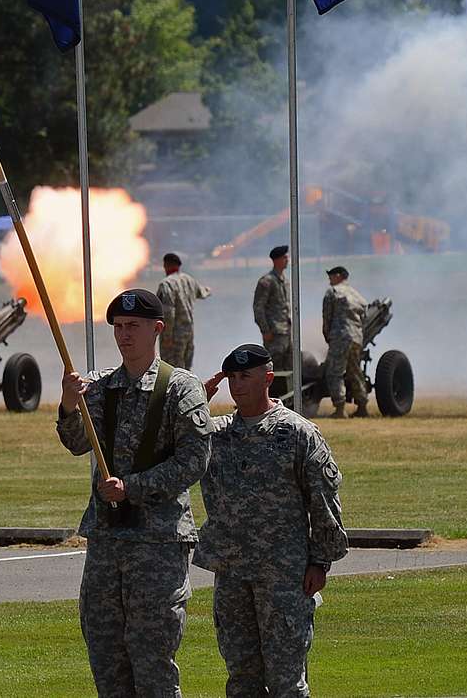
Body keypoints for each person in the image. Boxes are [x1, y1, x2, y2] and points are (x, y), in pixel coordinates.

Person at [58, 287, 212, 698]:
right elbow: (75, 443)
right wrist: (69, 405)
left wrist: (132, 488)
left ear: (157, 329)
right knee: (107, 659)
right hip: (107, 542)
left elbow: (193, 461)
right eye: (119, 327)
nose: (124, 334)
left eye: (134, 326)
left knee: (153, 662)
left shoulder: (182, 389)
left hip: (156, 542)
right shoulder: (102, 387)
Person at [201, 344, 347, 698]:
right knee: (242, 681)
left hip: (283, 576)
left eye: (245, 377)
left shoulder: (297, 433)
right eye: (232, 378)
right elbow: (167, 446)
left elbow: (323, 498)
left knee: (285, 681)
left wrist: (320, 560)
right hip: (233, 574)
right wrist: (195, 405)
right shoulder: (215, 434)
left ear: (267, 378)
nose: (237, 385)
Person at [320, 266, 367, 418]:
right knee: (355, 371)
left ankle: (340, 409)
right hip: (356, 338)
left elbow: (327, 317)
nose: (329, 279)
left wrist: (328, 335)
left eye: (331, 276)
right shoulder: (357, 295)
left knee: (335, 372)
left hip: (340, 337)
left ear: (339, 276)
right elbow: (364, 318)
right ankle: (362, 407)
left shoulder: (333, 292)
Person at [156, 252, 211, 370]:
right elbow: (202, 292)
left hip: (173, 335)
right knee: (186, 371)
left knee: (171, 371)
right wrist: (209, 290)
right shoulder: (189, 280)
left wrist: (167, 338)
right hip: (188, 333)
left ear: (165, 265)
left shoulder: (166, 284)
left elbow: (168, 313)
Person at [253, 245, 293, 371]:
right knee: (273, 369)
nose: (287, 260)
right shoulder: (267, 281)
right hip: (274, 333)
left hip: (286, 331)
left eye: (287, 257)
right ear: (276, 260)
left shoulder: (285, 281)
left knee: (288, 367)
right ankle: (273, 391)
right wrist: (265, 330)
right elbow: (258, 308)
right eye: (284, 257)